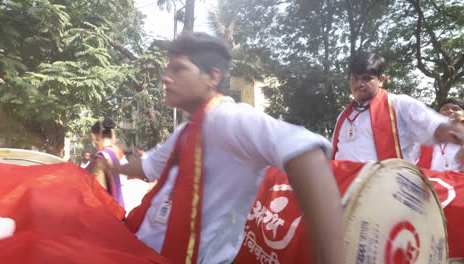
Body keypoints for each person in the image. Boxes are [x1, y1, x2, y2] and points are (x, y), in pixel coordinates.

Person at [117, 32, 343, 264]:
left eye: (178, 69)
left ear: (212, 77)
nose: (165, 78)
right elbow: (147, 167)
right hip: (143, 251)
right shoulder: (185, 132)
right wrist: (108, 163)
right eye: (167, 70)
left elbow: (306, 152)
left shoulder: (227, 118)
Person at [332, 51, 464, 162]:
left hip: (389, 187)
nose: (359, 83)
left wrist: (459, 134)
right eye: (354, 78)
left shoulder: (400, 105)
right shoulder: (344, 115)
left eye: (366, 78)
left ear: (381, 80)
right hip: (346, 188)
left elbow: (436, 125)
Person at [88, 118, 127, 208]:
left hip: (106, 210)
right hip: (118, 206)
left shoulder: (101, 157)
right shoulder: (115, 153)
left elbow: (100, 191)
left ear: (96, 136)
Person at [417, 98, 464, 172]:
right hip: (425, 178)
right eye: (445, 109)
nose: (450, 111)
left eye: (455, 109)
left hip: (457, 181)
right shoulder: (426, 133)